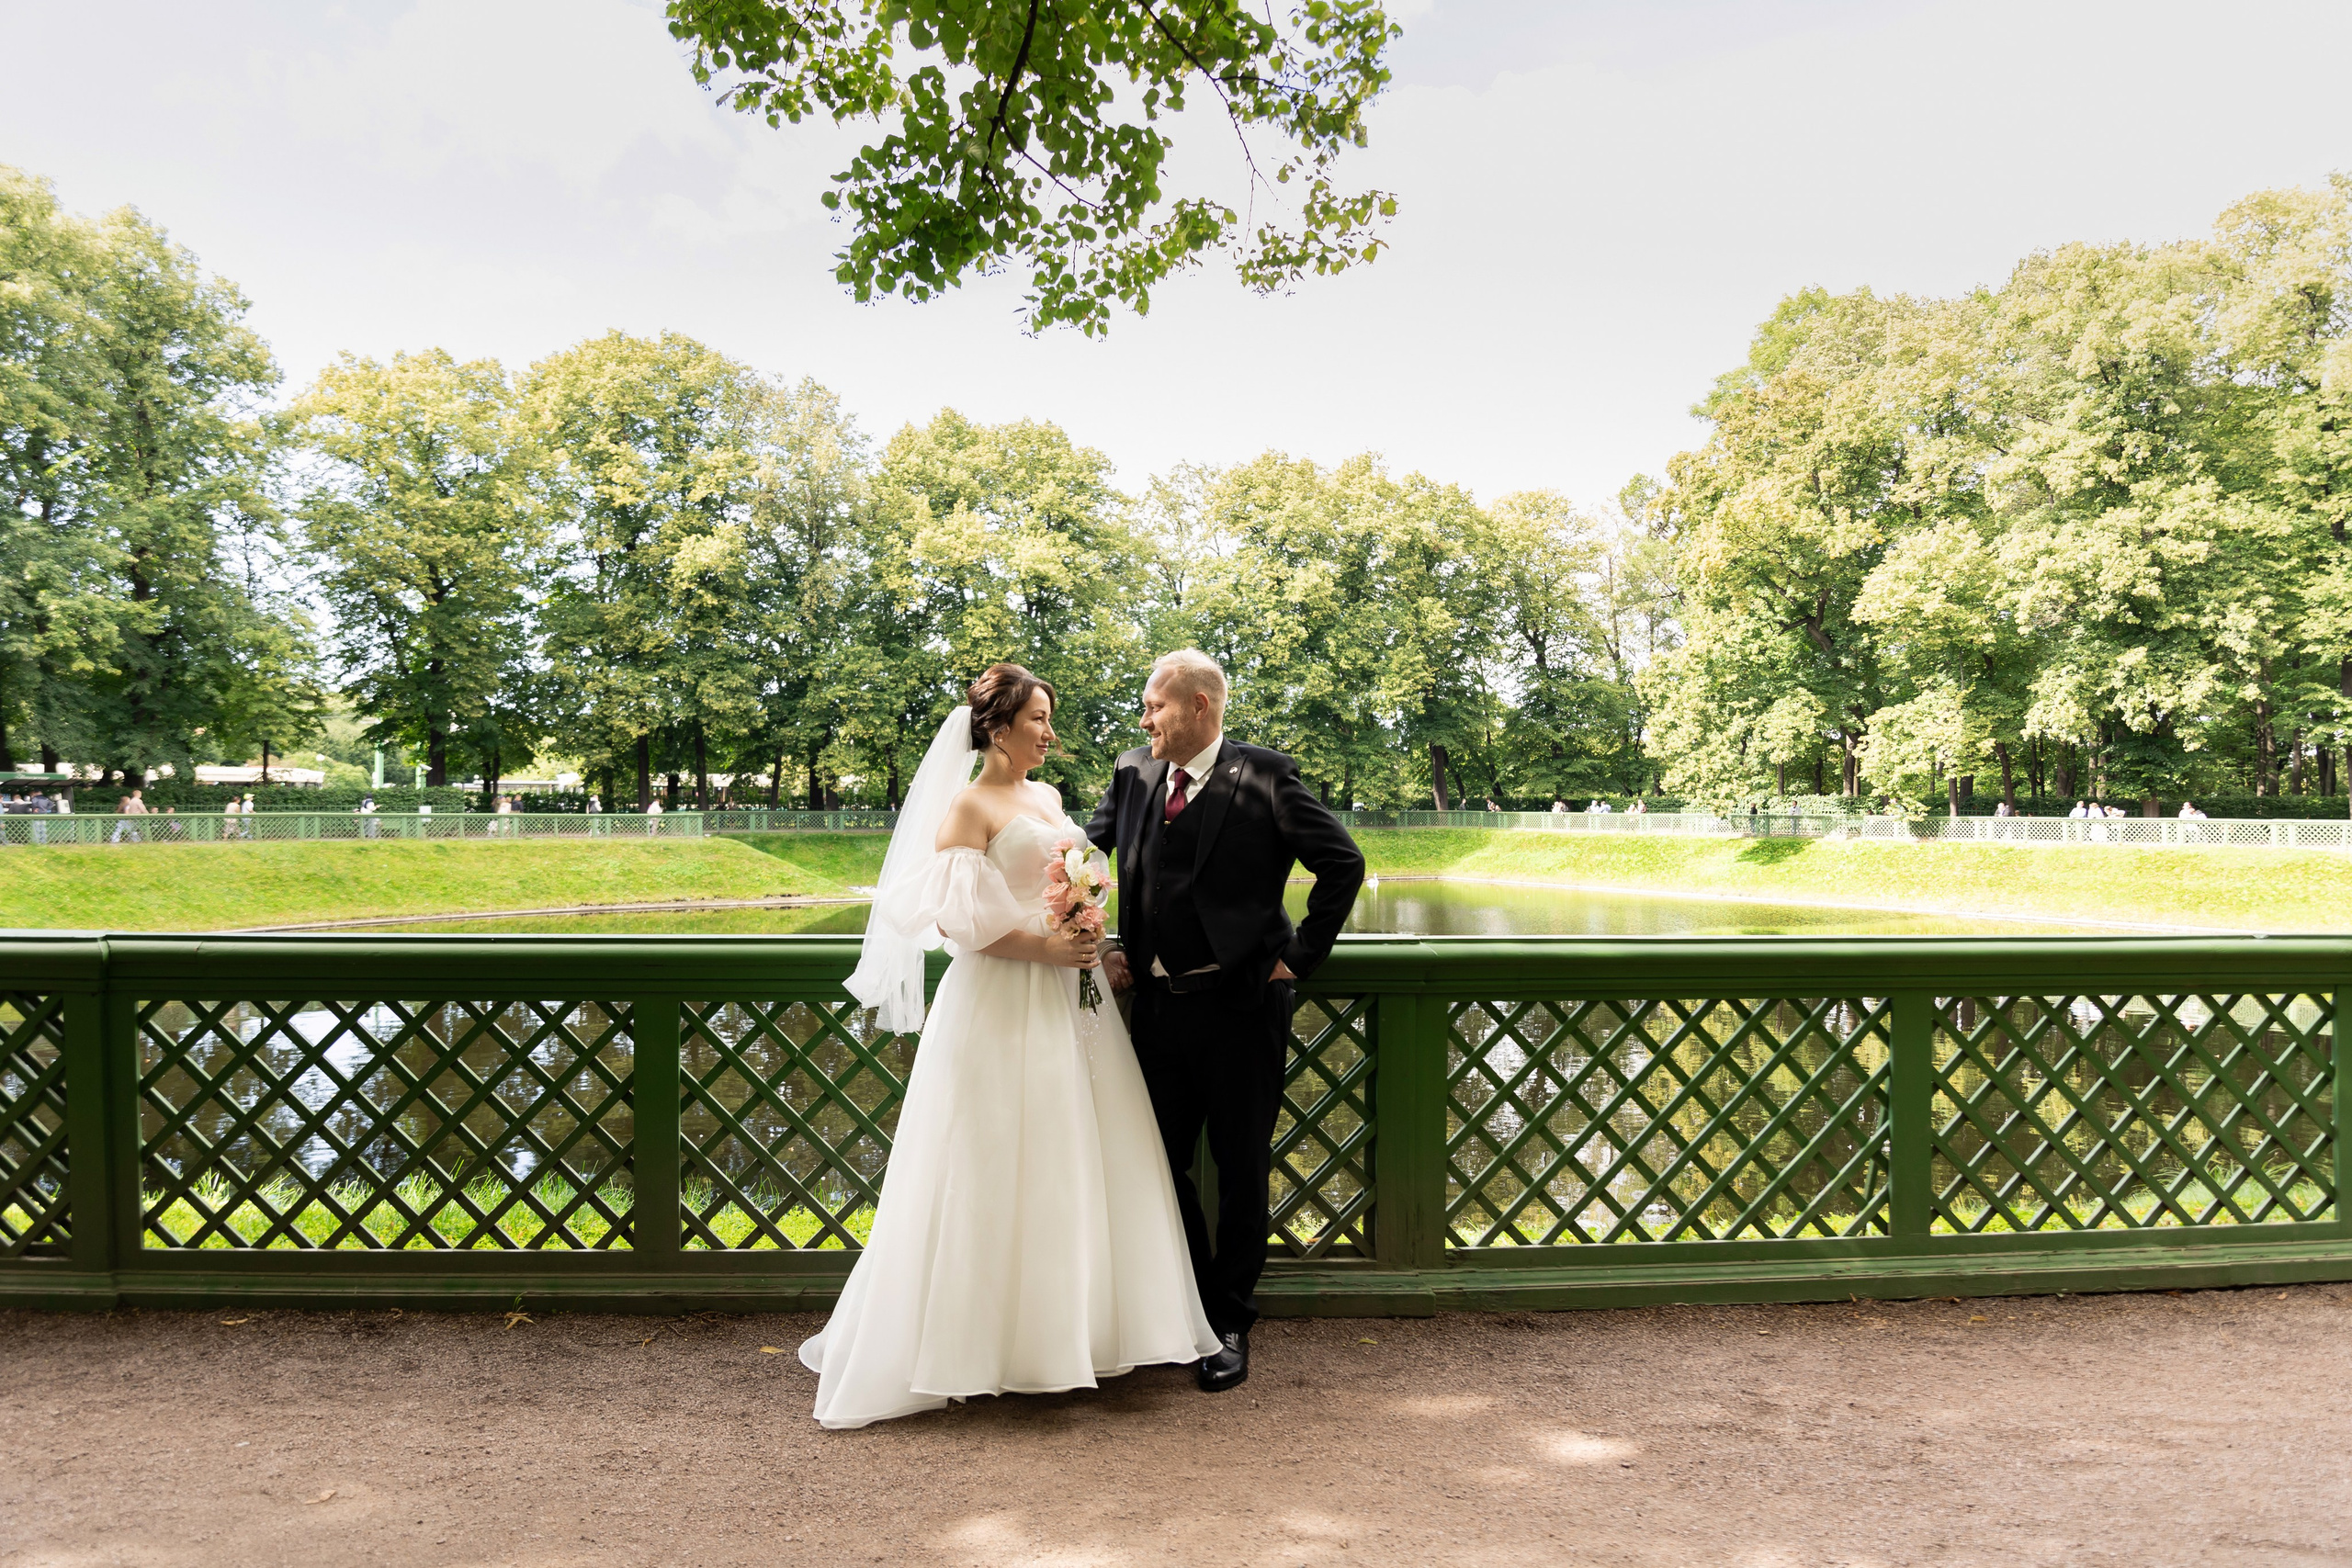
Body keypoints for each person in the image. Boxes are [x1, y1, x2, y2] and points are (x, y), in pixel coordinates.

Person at [809, 664, 1217, 1429]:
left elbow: (1069, 886)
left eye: (1049, 718)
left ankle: (1073, 1336)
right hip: (1001, 1004)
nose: (1048, 732)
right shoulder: (968, 806)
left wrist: (1092, 940)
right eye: (1037, 718)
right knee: (990, 1156)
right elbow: (963, 926)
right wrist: (1050, 949)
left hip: (1073, 1003)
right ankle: (980, 1346)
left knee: (1076, 1156)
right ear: (998, 726)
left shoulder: (1050, 799)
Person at [1085, 649, 1365, 1394]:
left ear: (1200, 706)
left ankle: (1230, 1320)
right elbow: (1082, 857)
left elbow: (1343, 862)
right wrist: (1103, 939)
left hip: (1243, 1009)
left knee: (1242, 1171)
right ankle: (1181, 1307)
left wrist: (1300, 956)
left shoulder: (1266, 773)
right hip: (1156, 1014)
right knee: (1150, 1164)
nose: (1144, 720)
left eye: (1155, 706)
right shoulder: (1133, 771)